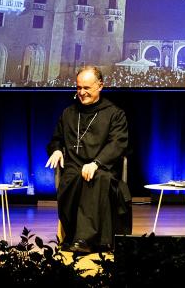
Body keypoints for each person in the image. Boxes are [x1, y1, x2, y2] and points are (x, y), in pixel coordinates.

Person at [46, 65, 130, 253]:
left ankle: (85, 239)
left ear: (100, 86)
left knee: (97, 178)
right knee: (72, 179)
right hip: (74, 167)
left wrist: (96, 163)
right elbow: (56, 139)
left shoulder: (114, 114)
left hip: (103, 168)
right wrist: (57, 150)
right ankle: (75, 235)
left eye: (87, 88)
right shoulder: (68, 113)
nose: (81, 93)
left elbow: (118, 143)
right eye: (78, 88)